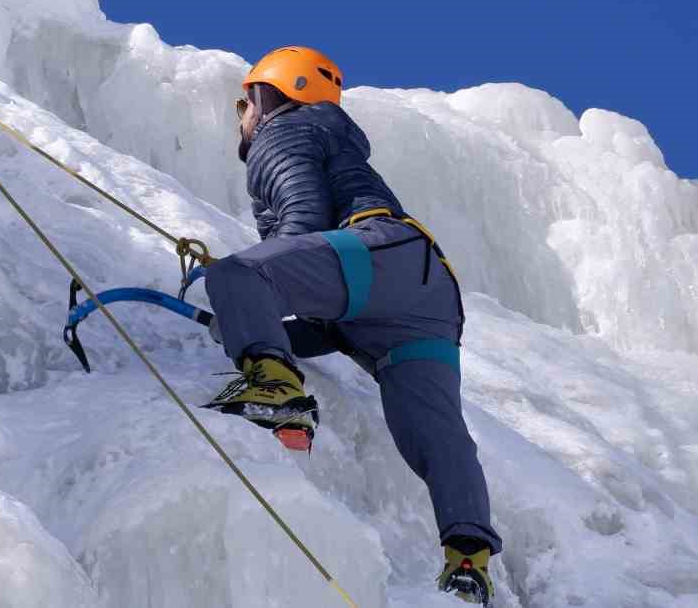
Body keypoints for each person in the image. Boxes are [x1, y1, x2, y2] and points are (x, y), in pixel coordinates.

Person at [201, 46, 501, 603]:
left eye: (245, 100)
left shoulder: (285, 129)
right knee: (435, 434)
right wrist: (250, 323)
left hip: (376, 253)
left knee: (237, 274)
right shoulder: (329, 134)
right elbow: (320, 315)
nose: (240, 113)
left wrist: (252, 291)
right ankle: (468, 561)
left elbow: (303, 219)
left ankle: (278, 392)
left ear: (276, 92)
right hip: (423, 294)